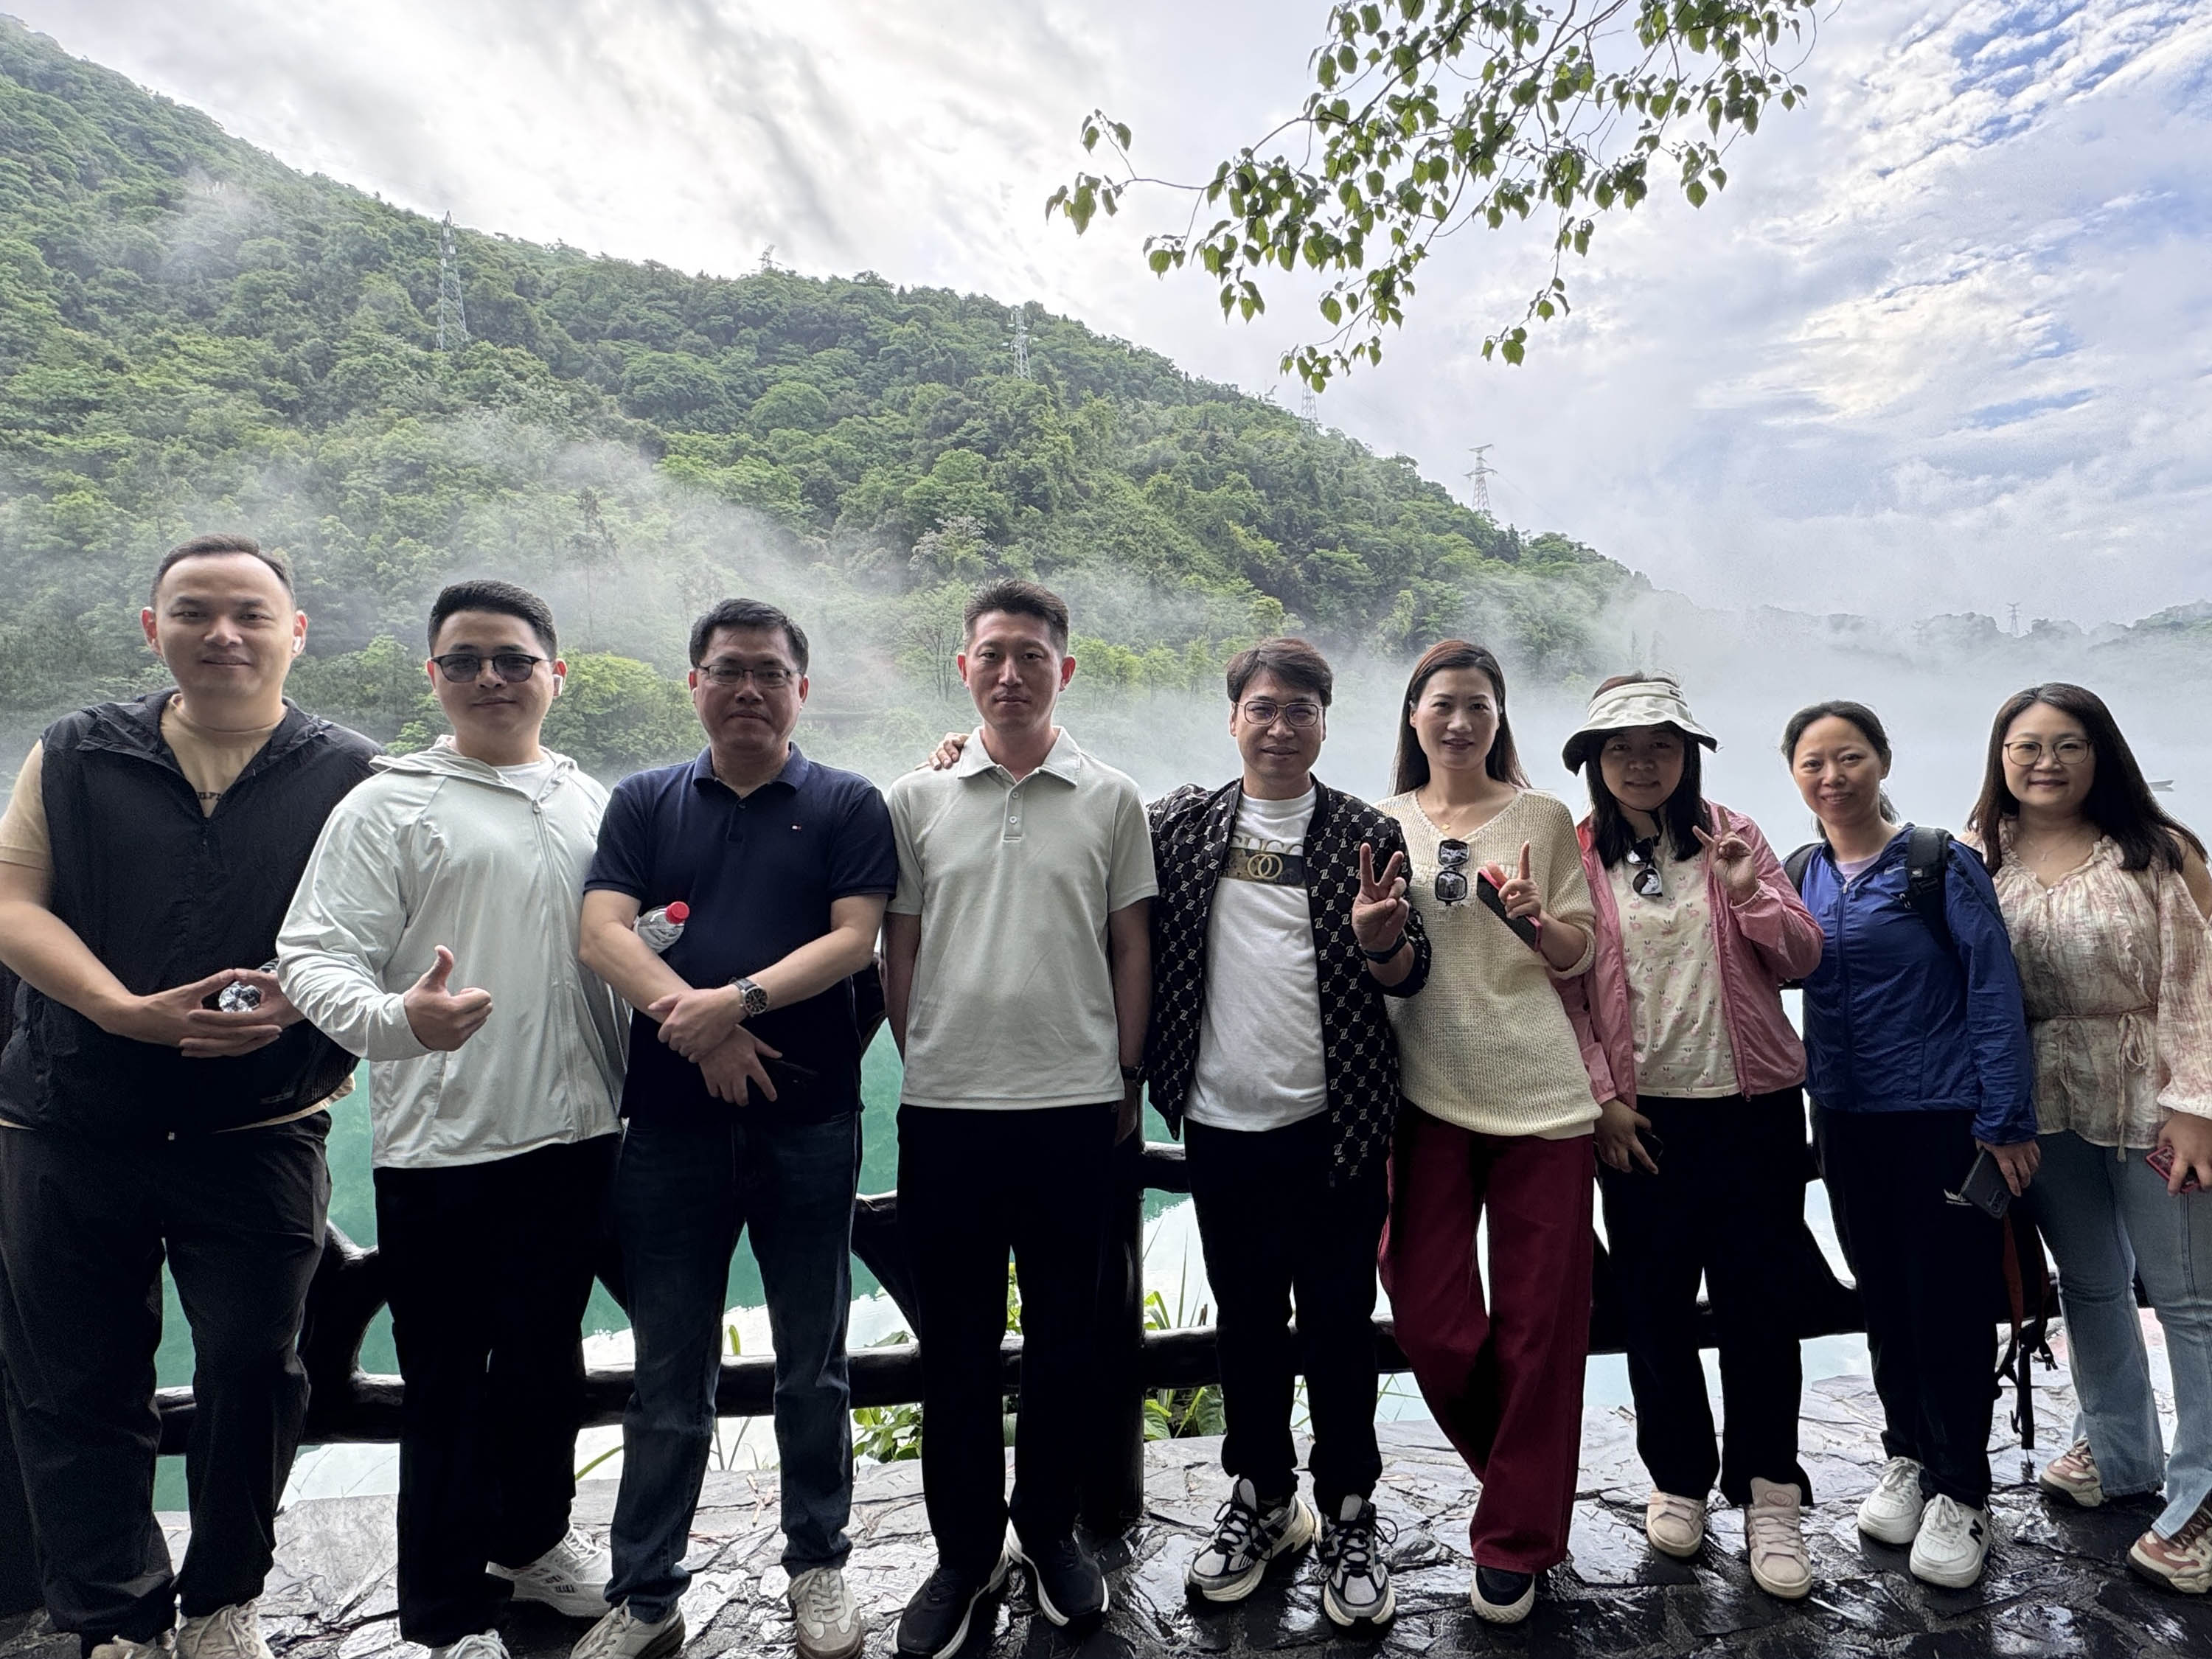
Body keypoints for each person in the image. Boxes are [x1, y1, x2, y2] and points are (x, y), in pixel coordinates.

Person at [0, 534, 375, 1659]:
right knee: (75, 1382)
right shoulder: (77, 752)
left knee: (257, 1368)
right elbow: (15, 901)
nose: (223, 633)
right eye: (195, 611)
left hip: (259, 1124)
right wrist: (121, 1008)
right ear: (152, 627)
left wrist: (308, 1000)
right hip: (71, 1115)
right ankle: (114, 1616)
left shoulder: (350, 772)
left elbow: (393, 924)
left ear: (294, 632)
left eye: (250, 613)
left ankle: (223, 1599)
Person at [276, 581, 627, 1657]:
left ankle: (534, 1544)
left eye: (512, 659)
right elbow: (311, 954)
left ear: (555, 675)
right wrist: (397, 1020)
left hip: (581, 1136)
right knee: (446, 1382)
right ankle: (442, 1609)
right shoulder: (388, 806)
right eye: (464, 659)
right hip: (447, 1146)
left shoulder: (588, 799)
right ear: (433, 676)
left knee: (547, 1361)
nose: (490, 678)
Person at [572, 599, 894, 1659]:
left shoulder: (847, 802)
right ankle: (647, 1592)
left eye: (768, 672)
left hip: (810, 1121)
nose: (747, 689)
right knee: (668, 1371)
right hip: (669, 1129)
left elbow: (854, 940)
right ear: (695, 683)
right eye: (726, 670)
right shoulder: (645, 800)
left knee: (814, 1361)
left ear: (802, 688)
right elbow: (601, 932)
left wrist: (733, 1001)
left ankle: (820, 1566)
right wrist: (702, 1027)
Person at [883, 578, 1155, 1659]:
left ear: (1064, 669)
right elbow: (900, 945)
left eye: (1031, 655)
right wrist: (929, 1054)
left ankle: (1048, 1532)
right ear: (964, 667)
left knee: (1065, 1341)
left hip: (1075, 1109)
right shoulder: (916, 798)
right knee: (954, 1347)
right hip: (947, 1110)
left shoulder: (1112, 798)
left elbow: (1130, 943)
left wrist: (1125, 1074)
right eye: (991, 654)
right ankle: (963, 1553)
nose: (1010, 672)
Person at [1145, 639, 1427, 1625]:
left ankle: (1349, 1507)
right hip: (1222, 1126)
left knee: (1341, 1327)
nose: (1279, 726)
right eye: (1262, 708)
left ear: (1323, 724)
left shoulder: (1365, 830)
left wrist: (1383, 943)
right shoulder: (1182, 826)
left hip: (1336, 1127)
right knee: (1249, 1325)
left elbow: (1413, 971)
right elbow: (1088, 837)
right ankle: (1265, 1497)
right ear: (1233, 719)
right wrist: (955, 753)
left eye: (1300, 710)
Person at [1554, 675, 1826, 1598]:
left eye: (1660, 746)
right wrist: (1602, 1100)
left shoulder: (1732, 834)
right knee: (1654, 1305)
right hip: (1643, 1121)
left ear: (1688, 756)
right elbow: (1564, 994)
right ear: (1595, 762)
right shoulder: (1577, 853)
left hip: (1752, 1111)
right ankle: (1677, 1477)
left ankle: (1770, 1489)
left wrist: (1750, 895)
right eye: (1620, 749)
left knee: (1762, 1305)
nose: (1642, 763)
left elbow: (1803, 956)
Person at [1782, 699, 2037, 1590]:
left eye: (1849, 757)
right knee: (1884, 1294)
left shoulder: (1936, 863)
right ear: (1794, 776)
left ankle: (1963, 1489)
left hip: (1940, 1115)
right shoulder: (1801, 872)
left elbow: (1994, 990)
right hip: (1845, 1118)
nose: (1832, 777)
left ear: (1882, 761)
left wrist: (2005, 1120)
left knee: (1950, 1302)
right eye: (1813, 763)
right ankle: (1909, 1456)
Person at [1965, 683, 2212, 1591]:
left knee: (2191, 1299)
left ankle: (2206, 1491)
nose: (2046, 763)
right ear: (2001, 758)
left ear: (2100, 754)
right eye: (2026, 746)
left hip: (2157, 1092)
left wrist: (2198, 1105)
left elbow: (2203, 979)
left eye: (2068, 744)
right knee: (2092, 1282)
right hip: (2045, 1098)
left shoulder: (2158, 850)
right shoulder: (1979, 854)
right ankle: (2119, 1449)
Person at [1372, 639, 1598, 1627]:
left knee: (1542, 1324)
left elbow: (1578, 952)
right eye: (1443, 704)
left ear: (1500, 717)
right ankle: (1526, 1476)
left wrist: (1535, 923)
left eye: (1478, 705)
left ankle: (1515, 1538)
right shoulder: (1378, 821)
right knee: (1430, 1315)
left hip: (1540, 1094)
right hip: (1422, 1093)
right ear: (1413, 715)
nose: (1460, 721)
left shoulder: (1541, 816)